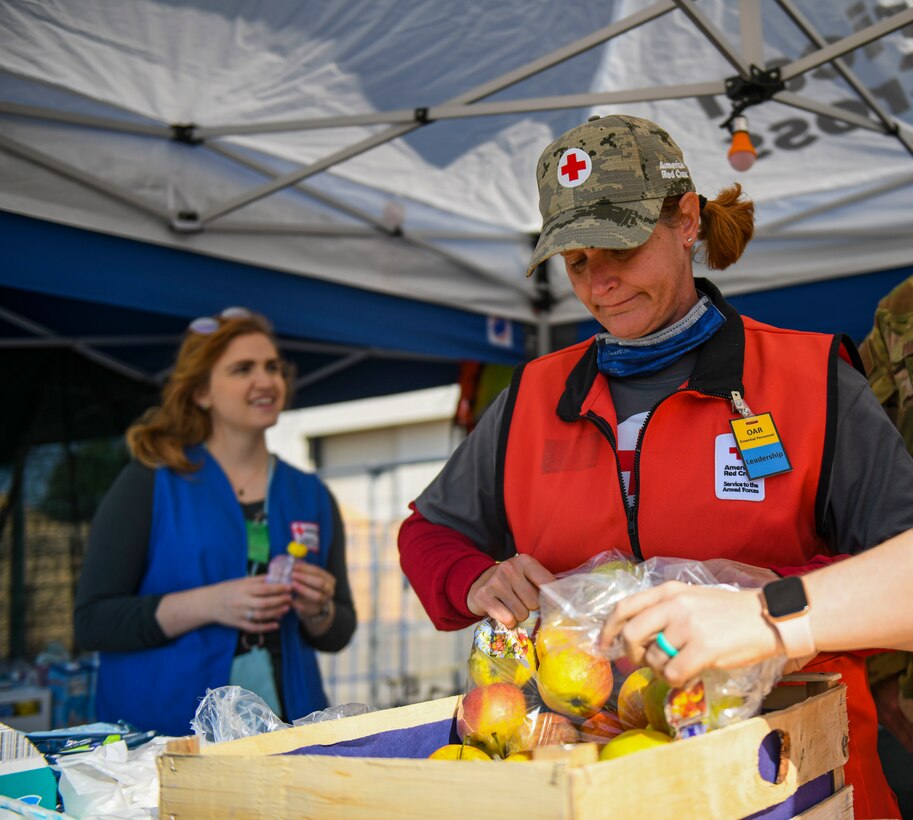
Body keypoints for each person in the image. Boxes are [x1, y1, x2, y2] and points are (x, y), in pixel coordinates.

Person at [397, 114, 913, 818]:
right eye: (575, 262)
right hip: (587, 769)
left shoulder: (811, 375)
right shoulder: (534, 394)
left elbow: (898, 565)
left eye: (618, 246)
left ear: (686, 220)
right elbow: (425, 533)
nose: (599, 281)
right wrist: (476, 578)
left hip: (790, 774)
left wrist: (767, 605)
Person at [75, 308, 356, 737]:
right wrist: (209, 604)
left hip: (287, 727)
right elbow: (94, 621)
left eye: (273, 368)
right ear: (202, 391)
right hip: (167, 734)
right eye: (243, 369)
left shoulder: (310, 494)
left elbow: (338, 631)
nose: (266, 381)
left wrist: (318, 611)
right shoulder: (150, 481)